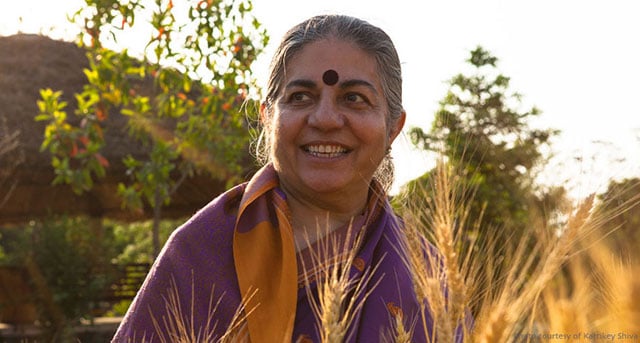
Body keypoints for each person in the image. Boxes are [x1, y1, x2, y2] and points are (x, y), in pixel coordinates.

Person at [113, 14, 436, 342]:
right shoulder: (199, 254)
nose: (324, 119)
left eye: (354, 98)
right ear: (267, 117)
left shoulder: (431, 278)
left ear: (393, 127)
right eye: (300, 97)